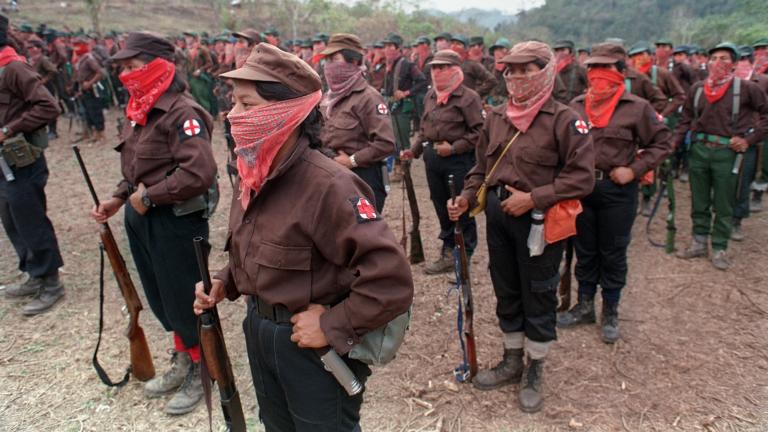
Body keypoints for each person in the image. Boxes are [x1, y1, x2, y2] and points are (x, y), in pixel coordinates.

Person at [195, 42, 413, 431]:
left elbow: (391, 281)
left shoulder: (330, 186)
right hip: (260, 331)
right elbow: (258, 247)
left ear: (286, 112)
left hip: (312, 350)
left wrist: (332, 325)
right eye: (234, 103)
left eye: (247, 105)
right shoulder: (253, 172)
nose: (233, 115)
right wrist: (224, 282)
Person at [447, 41, 594, 413]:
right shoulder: (497, 116)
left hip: (540, 220)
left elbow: (582, 178)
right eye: (510, 70)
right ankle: (512, 359)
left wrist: (534, 198)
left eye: (526, 69)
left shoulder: (565, 119)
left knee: (540, 291)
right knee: (506, 285)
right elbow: (482, 167)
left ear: (545, 71)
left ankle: (535, 366)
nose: (516, 77)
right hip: (498, 216)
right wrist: (466, 196)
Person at [90, 32, 218, 414]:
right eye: (123, 68)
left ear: (158, 65)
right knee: (161, 294)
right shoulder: (139, 108)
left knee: (184, 295)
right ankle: (183, 354)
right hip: (143, 219)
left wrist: (148, 197)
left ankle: (203, 367)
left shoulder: (182, 112)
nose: (126, 74)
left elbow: (200, 173)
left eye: (133, 66)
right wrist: (118, 197)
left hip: (176, 220)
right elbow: (134, 166)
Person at [557, 44, 672, 344]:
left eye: (607, 68)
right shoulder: (576, 105)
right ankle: (584, 305)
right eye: (593, 68)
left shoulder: (637, 107)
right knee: (585, 249)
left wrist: (634, 169)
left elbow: (662, 142)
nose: (599, 75)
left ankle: (610, 309)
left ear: (622, 72)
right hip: (581, 189)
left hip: (617, 190)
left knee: (613, 250)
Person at [674, 43, 768, 270]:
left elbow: (766, 117)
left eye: (724, 59)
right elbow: (685, 120)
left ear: (734, 64)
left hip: (728, 153)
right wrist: (672, 146)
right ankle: (699, 241)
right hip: (699, 150)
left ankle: (719, 246)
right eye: (714, 58)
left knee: (724, 202)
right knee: (699, 199)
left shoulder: (746, 89)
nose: (718, 63)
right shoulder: (697, 89)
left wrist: (748, 140)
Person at [0, 13, 64, 316]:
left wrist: (8, 129)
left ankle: (51, 283)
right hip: (4, 163)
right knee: (10, 217)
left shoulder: (13, 67)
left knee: (29, 218)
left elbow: (48, 106)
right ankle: (34, 273)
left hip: (21, 160)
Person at [404, 50, 482, 274]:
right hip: (433, 159)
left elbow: (479, 132)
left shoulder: (468, 98)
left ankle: (463, 251)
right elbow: (424, 129)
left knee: (460, 205)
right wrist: (414, 151)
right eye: (434, 68)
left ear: (456, 70)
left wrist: (455, 147)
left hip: (458, 161)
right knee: (440, 204)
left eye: (443, 67)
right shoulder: (431, 95)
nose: (437, 72)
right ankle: (449, 247)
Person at [319, 33, 396, 213]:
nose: (328, 66)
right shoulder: (328, 98)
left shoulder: (369, 98)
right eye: (327, 60)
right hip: (332, 176)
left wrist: (352, 161)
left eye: (334, 59)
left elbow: (386, 143)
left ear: (353, 62)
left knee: (364, 233)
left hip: (362, 178)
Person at [450, 34, 497, 101]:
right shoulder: (447, 64)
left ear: (466, 48)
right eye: (452, 43)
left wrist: (475, 93)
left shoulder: (472, 64)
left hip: (467, 103)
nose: (454, 46)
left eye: (458, 44)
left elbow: (492, 81)